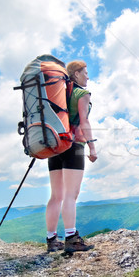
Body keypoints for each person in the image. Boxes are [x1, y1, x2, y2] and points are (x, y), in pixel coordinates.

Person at [45, 60, 98, 253]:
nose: (87, 76)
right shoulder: (81, 94)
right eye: (85, 72)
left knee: (56, 196)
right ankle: (71, 238)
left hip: (56, 146)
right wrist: (92, 147)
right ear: (75, 74)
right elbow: (84, 121)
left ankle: (52, 240)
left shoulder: (58, 93)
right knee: (70, 195)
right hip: (74, 145)